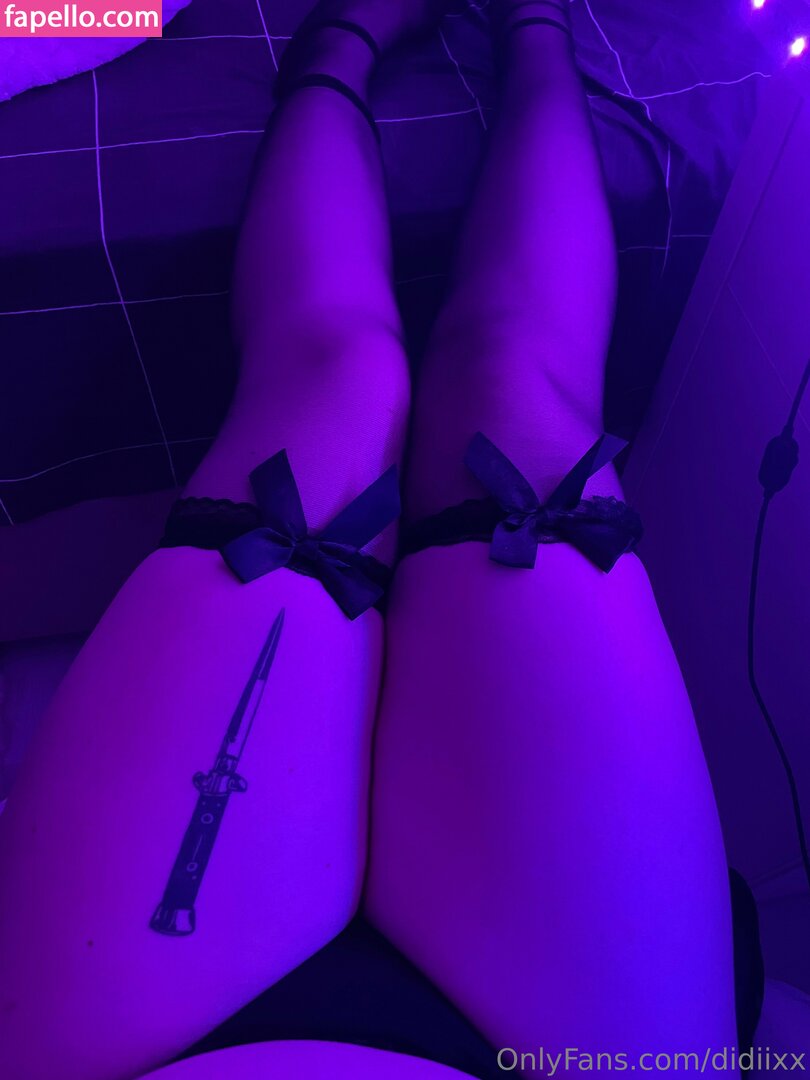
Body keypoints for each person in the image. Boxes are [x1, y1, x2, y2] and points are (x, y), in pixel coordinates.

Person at [0, 1, 739, 1077]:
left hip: (118, 1045)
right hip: (587, 1051)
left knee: (336, 373)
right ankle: (533, 26)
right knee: (514, 380)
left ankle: (351, 39)